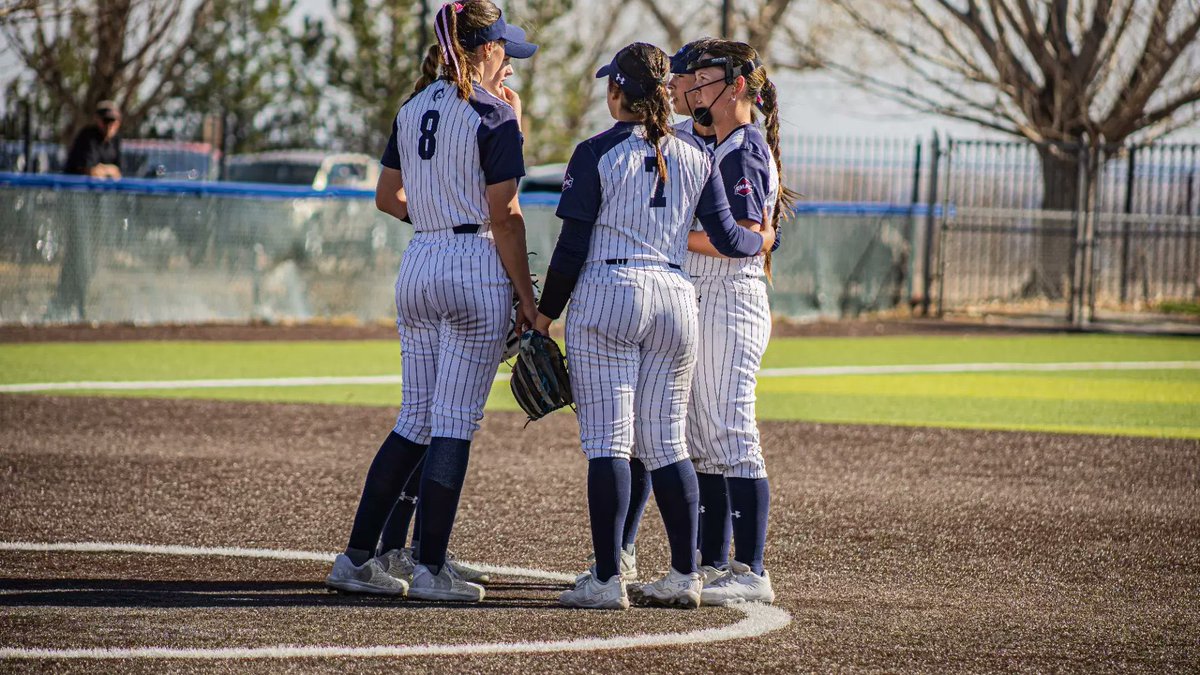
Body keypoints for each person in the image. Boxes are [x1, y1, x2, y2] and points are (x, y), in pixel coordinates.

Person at [534, 42, 770, 610]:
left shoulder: (594, 152)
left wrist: (545, 315)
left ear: (618, 92)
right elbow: (732, 238)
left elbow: (570, 249)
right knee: (667, 444)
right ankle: (686, 574)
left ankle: (608, 577)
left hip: (610, 296)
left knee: (609, 441)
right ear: (667, 93)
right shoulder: (696, 155)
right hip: (675, 300)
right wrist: (764, 238)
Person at [324, 0, 538, 603]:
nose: (509, 61)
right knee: (453, 424)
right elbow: (507, 216)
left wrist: (439, 215)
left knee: (413, 419)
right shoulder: (494, 115)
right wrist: (528, 298)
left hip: (420, 261)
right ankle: (429, 568)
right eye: (504, 50)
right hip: (473, 266)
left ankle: (358, 557)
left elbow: (388, 196)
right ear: (488, 49)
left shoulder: (412, 105)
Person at [678, 39, 794, 605]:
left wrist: (669, 240)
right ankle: (712, 563)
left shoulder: (742, 148)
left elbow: (743, 241)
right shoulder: (720, 144)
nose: (696, 89)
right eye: (693, 80)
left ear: (739, 86)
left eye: (707, 79)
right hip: (709, 296)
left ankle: (751, 568)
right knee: (703, 437)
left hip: (730, 299)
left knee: (730, 431)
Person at [49, 100, 122, 321]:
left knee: (89, 260)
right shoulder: (88, 137)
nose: (109, 125)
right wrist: (104, 170)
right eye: (105, 120)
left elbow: (118, 173)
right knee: (78, 257)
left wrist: (105, 169)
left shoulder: (113, 143)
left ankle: (71, 305)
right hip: (77, 208)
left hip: (97, 211)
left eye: (113, 121)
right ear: (97, 120)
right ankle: (67, 305)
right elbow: (90, 170)